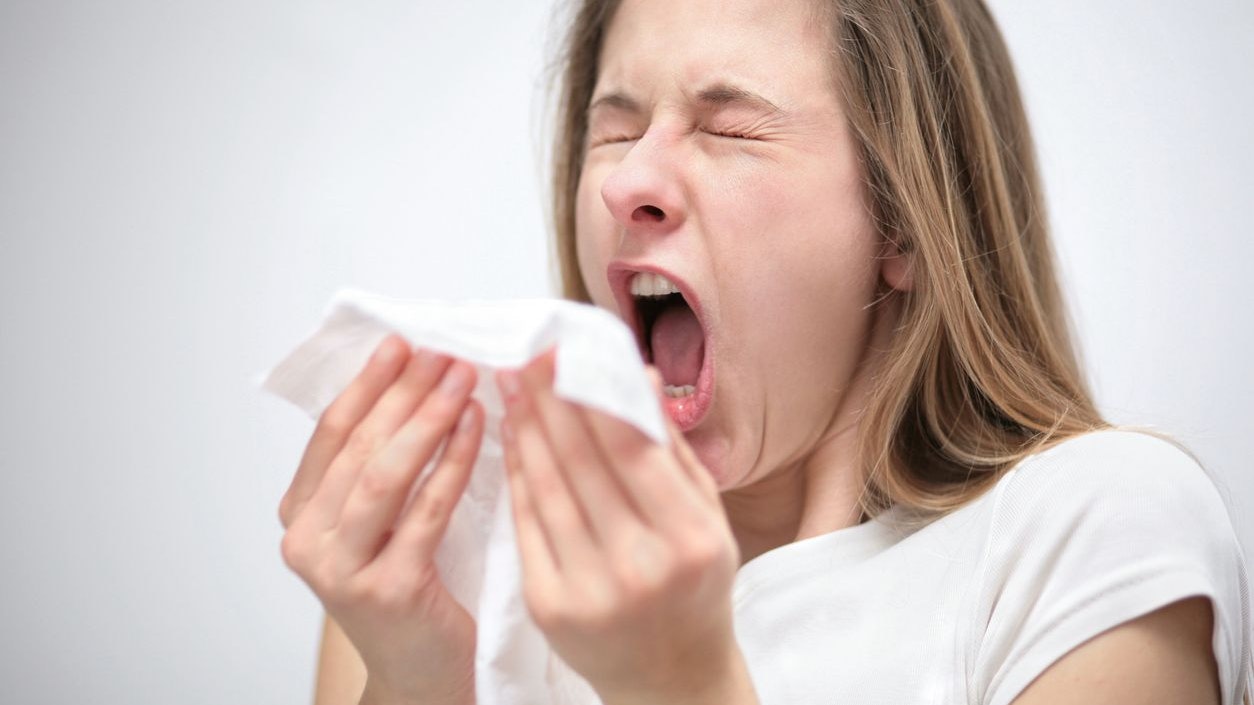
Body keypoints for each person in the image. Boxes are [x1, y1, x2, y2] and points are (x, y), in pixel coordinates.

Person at [277, 0, 1253, 703]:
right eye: (613, 129)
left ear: (906, 219)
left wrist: (679, 685)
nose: (631, 181)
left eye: (730, 126)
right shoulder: (440, 565)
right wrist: (413, 682)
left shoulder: (1088, 533)